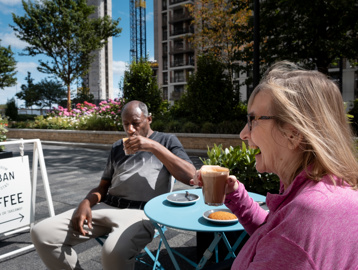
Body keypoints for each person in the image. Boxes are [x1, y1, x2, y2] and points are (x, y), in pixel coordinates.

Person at [192, 61, 358, 269]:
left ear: (293, 133)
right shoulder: (330, 187)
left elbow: (289, 241)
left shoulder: (308, 214)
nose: (243, 133)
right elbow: (273, 234)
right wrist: (235, 194)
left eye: (253, 120)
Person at [31, 100, 196, 270]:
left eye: (136, 123)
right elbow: (103, 187)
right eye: (126, 124)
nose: (130, 129)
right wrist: (85, 202)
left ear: (149, 119)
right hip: (108, 205)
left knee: (112, 252)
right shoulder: (118, 146)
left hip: (143, 212)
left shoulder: (166, 140)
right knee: (42, 232)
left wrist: (153, 146)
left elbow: (191, 176)